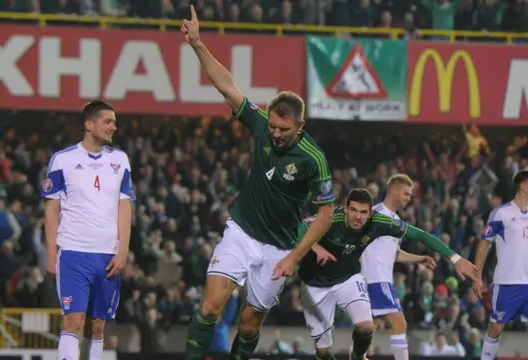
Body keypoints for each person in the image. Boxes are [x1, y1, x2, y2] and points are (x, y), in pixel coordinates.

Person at [181, 6, 336, 360]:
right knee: (210, 307)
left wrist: (295, 257)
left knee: (249, 325)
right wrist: (198, 44)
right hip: (242, 230)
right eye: (274, 128)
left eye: (285, 130)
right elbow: (228, 87)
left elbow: (326, 214)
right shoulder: (261, 124)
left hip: (279, 248)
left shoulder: (314, 159)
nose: (276, 135)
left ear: (300, 127)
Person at [301, 188, 478, 360]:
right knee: (324, 352)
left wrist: (456, 259)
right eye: (353, 210)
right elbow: (298, 228)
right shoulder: (331, 218)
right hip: (315, 284)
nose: (357, 216)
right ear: (345, 208)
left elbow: (421, 235)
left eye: (363, 212)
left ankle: (357, 356)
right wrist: (316, 248)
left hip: (348, 278)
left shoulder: (379, 222)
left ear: (370, 213)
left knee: (366, 327)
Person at [42, 101, 135, 360]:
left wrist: (123, 250)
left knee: (98, 325)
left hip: (107, 256)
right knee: (73, 321)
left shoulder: (120, 160)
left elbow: (124, 206)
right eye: (108, 121)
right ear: (89, 124)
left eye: (115, 122)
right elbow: (51, 210)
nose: (114, 127)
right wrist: (51, 254)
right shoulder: (63, 160)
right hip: (73, 253)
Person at [473, 169, 528, 360]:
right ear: (523, 185)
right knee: (496, 327)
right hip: (506, 283)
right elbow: (484, 244)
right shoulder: (501, 213)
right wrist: (477, 276)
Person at [361, 174, 436, 360]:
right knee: (399, 324)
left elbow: (394, 253)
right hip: (375, 278)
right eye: (406, 193)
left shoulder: (395, 221)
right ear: (393, 191)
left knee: (369, 326)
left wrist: (419, 259)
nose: (408, 198)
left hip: (382, 279)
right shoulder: (375, 214)